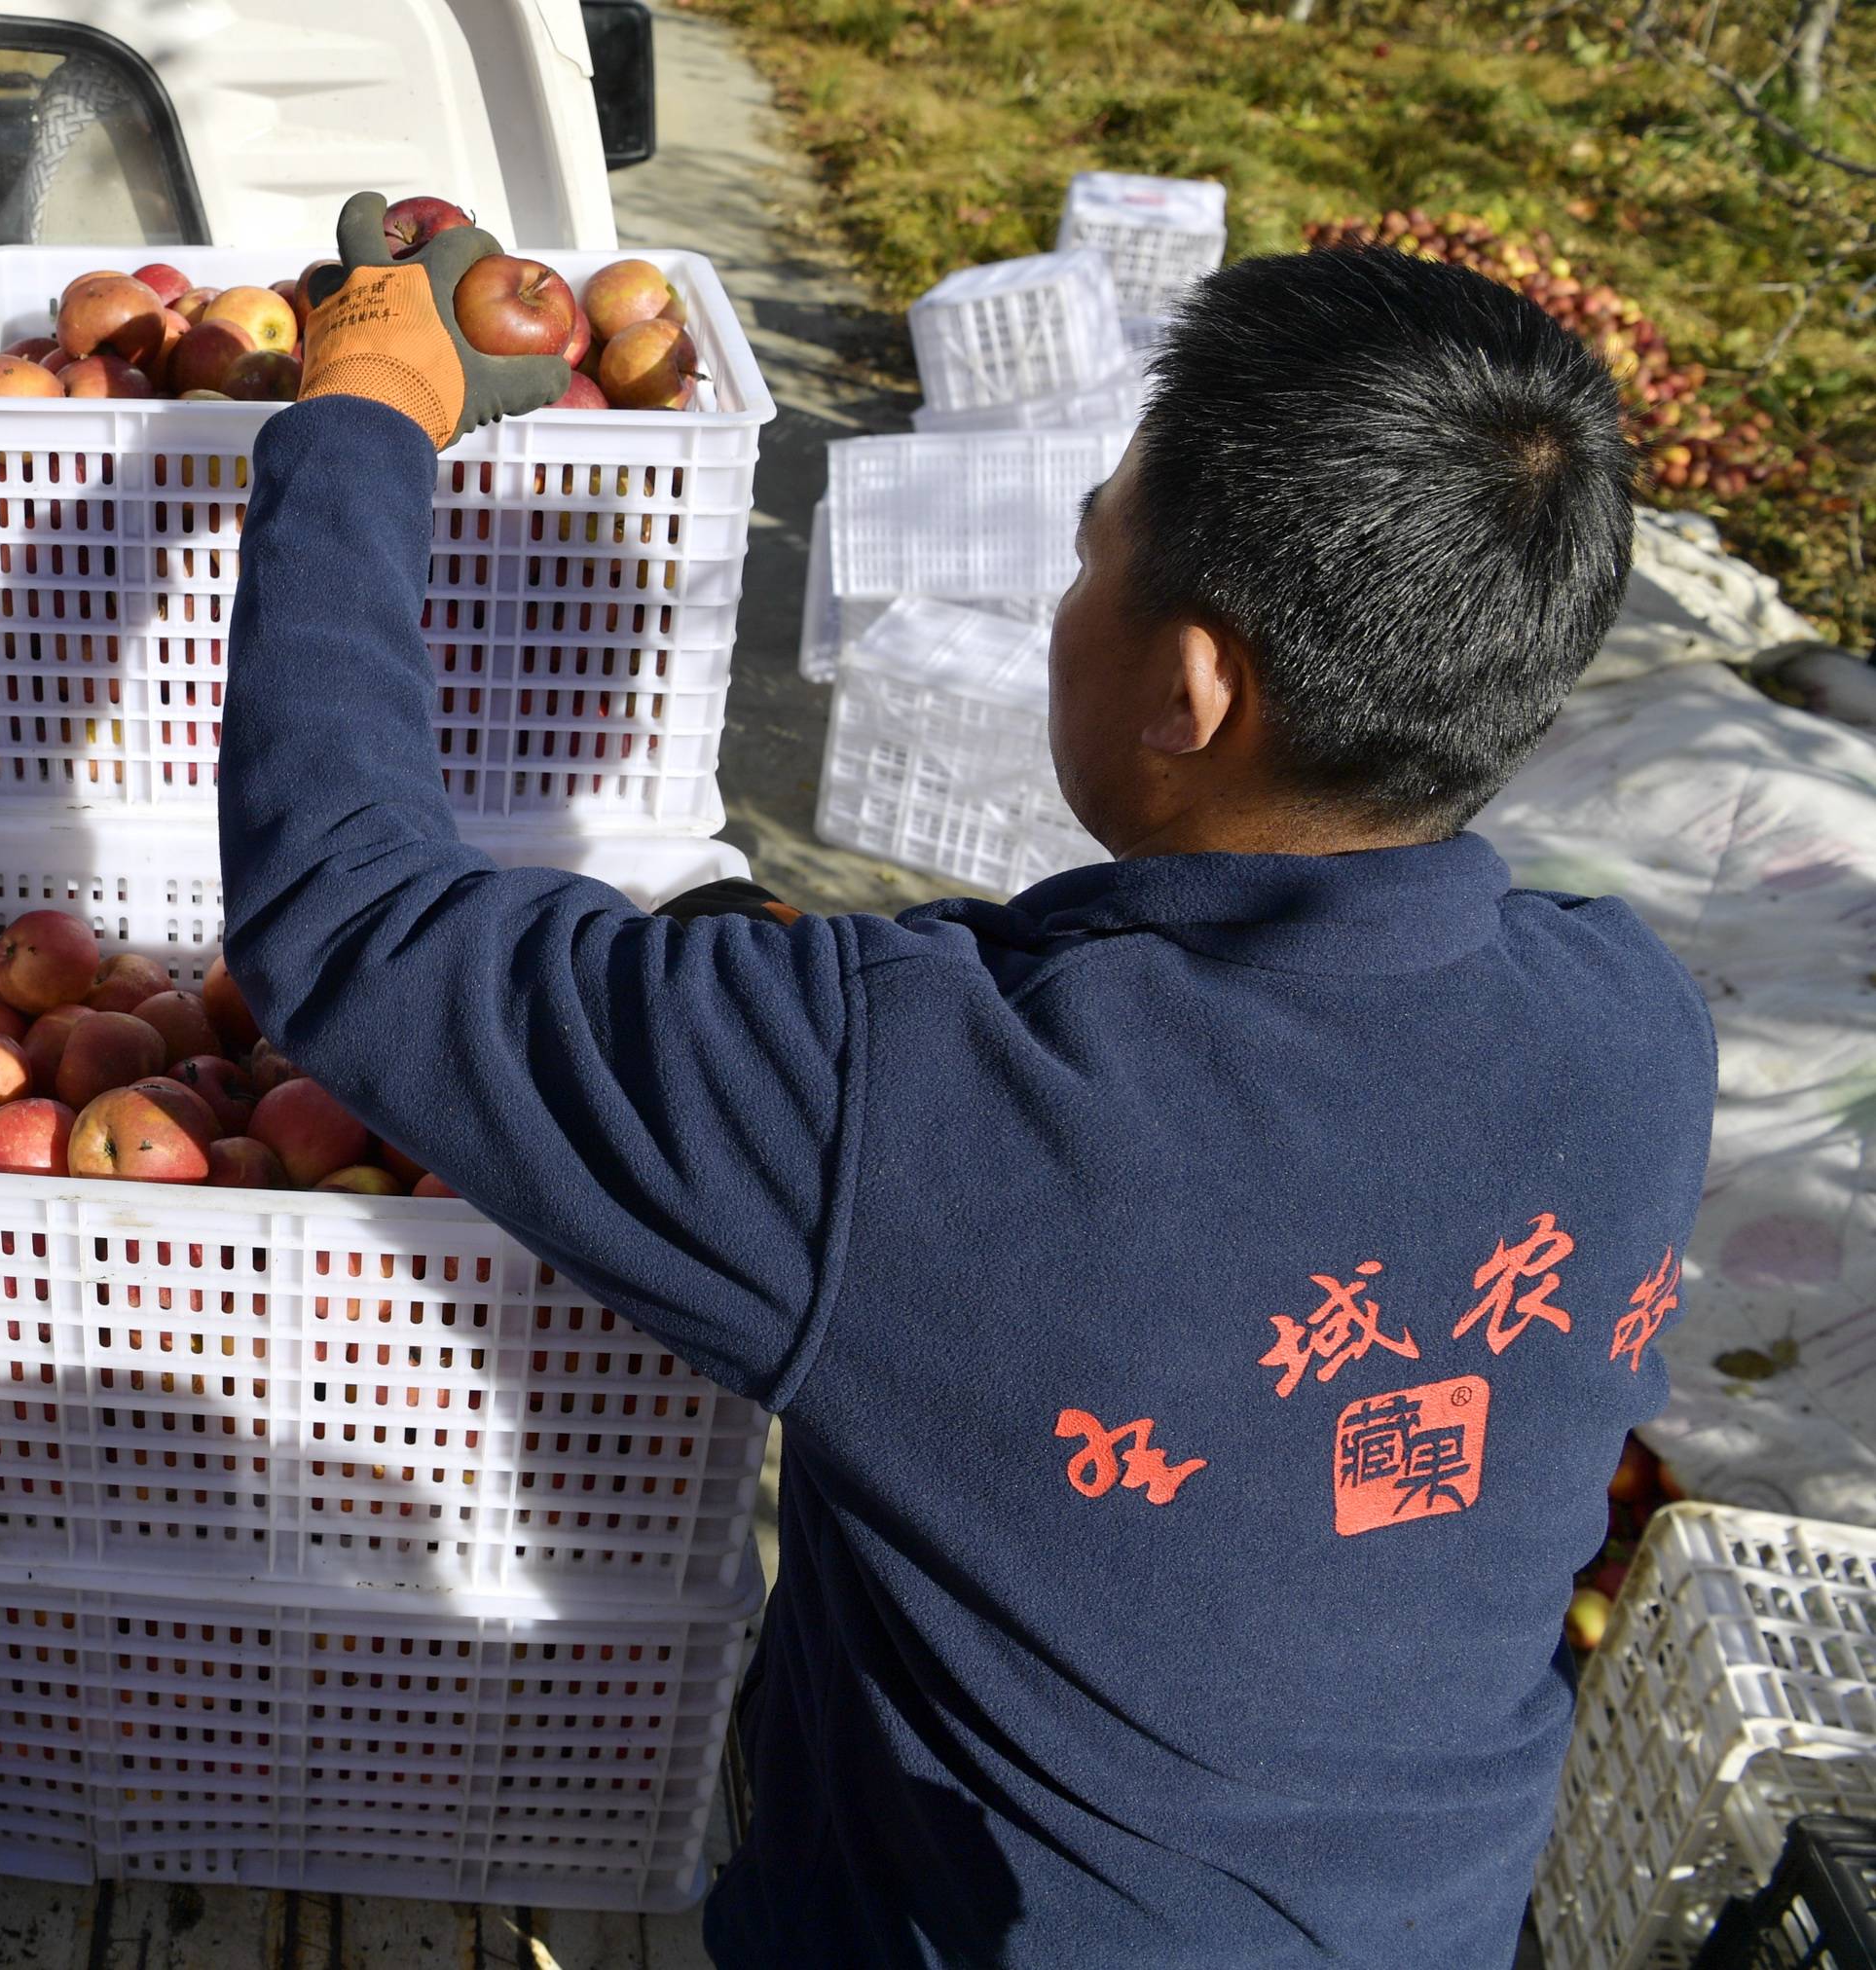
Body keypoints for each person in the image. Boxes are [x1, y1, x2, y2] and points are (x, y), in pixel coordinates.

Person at [215, 197, 1713, 1967]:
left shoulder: (904, 1084)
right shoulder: (1636, 1026)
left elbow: (348, 924)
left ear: (1188, 687)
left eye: (1093, 552)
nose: (1071, 585)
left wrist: (361, 418)